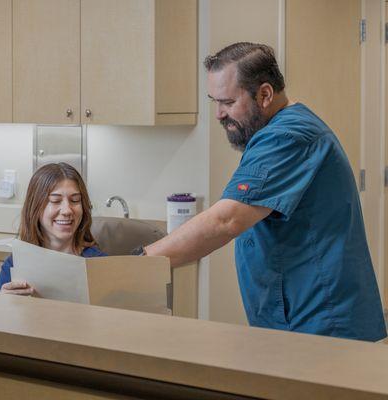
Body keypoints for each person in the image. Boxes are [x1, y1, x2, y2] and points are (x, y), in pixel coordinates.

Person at [144, 42, 386, 341]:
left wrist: (139, 264)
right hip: (300, 321)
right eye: (214, 102)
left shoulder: (288, 137)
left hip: (321, 325)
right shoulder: (280, 131)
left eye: (228, 102)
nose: (219, 114)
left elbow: (226, 220)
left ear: (265, 95)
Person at [0, 163, 106, 295]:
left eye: (75, 200)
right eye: (55, 201)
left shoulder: (100, 263)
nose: (67, 210)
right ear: (35, 208)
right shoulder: (14, 265)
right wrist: (2, 302)